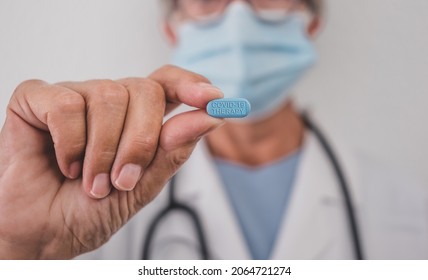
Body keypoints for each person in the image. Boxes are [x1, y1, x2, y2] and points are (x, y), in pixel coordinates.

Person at [0, 0, 427, 260]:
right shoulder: (100, 192)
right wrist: (23, 252)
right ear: (173, 28)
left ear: (311, 22)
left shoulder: (411, 211)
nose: (238, 16)